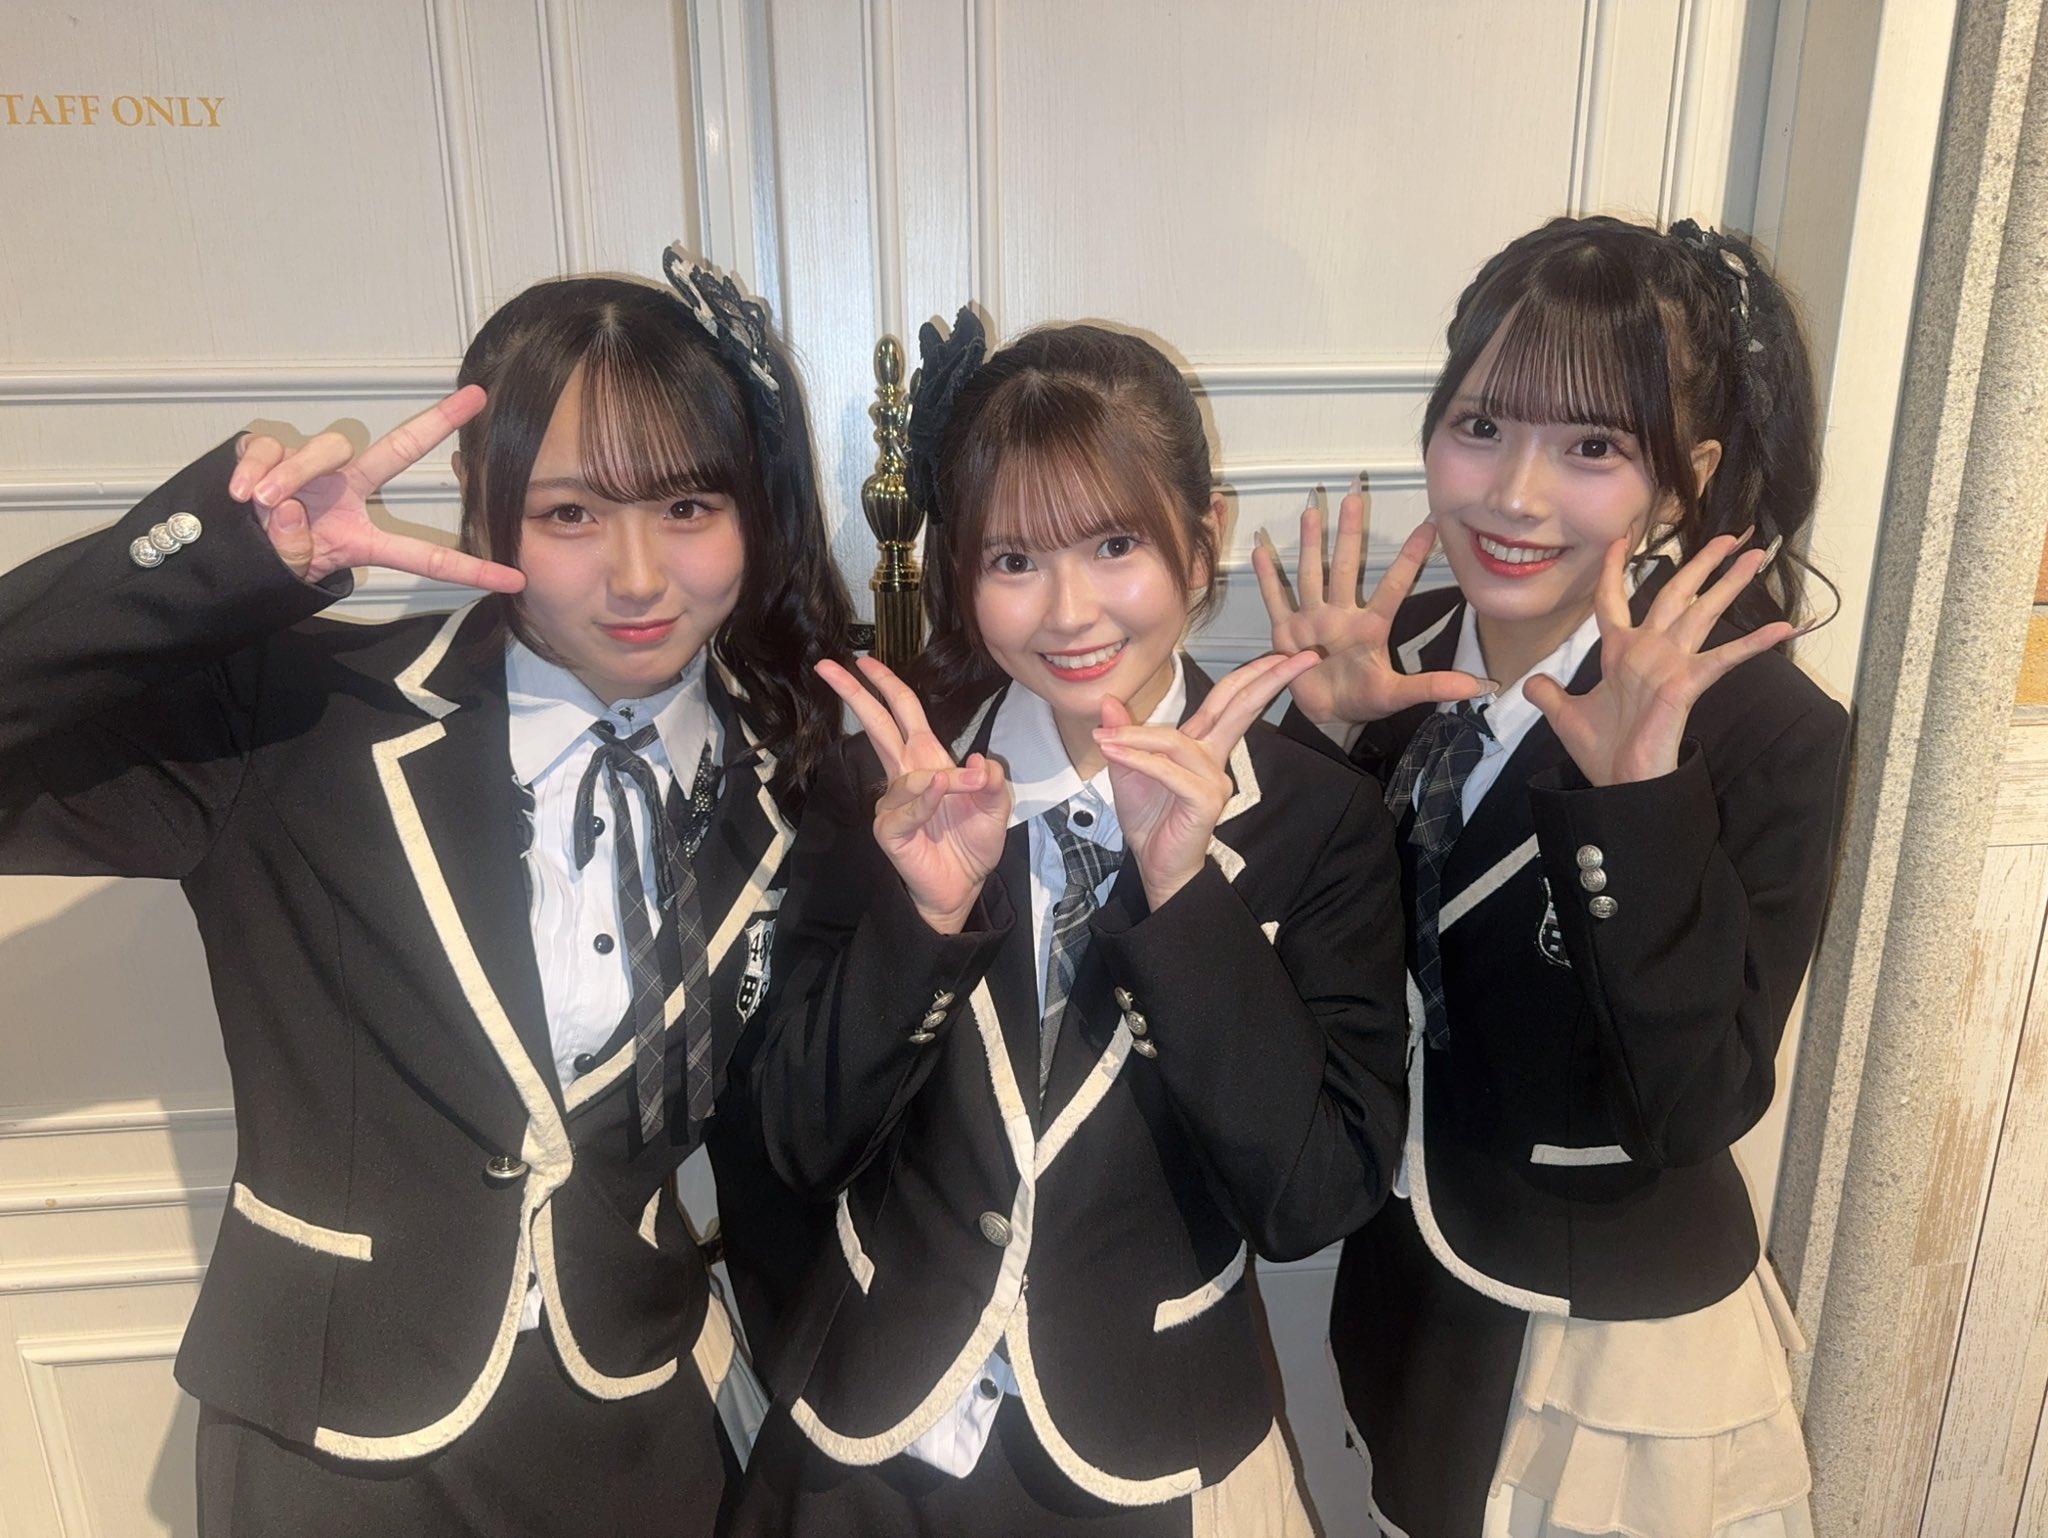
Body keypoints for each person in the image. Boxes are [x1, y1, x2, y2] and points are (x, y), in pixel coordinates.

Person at [0, 250, 851, 1536]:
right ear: (479, 498)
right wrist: (218, 566)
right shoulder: (296, 716)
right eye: (570, 513)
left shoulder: (798, 781)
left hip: (633, 1430)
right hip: (332, 1442)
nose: (637, 575)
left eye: (687, 505)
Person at [730, 318, 1410, 1536]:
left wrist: (1181, 897)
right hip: (871, 1451)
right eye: (1012, 558)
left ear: (1200, 538)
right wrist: (925, 914)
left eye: (1113, 543)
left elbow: (1312, 1195)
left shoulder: (1320, 819)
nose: (1067, 609)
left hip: (1149, 1449)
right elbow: (792, 1140)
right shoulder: (887, 781)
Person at [1258, 214, 1850, 1538]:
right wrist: (1322, 742)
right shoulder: (1387, 654)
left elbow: (1696, 1101)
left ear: (1684, 483)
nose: (1514, 496)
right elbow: (1292, 986)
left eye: (1592, 446)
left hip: (1613, 1369)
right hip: (1412, 1313)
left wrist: (1634, 806)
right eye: (1481, 425)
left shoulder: (1764, 729)